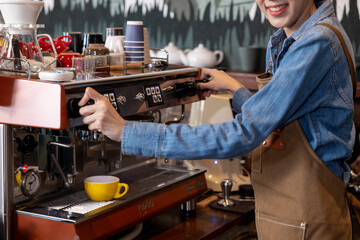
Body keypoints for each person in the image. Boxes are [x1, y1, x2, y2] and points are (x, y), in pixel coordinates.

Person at [79, 0, 356, 239]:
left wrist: (125, 131)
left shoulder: (316, 43)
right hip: (295, 218)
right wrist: (235, 90)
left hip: (309, 223)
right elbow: (275, 119)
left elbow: (245, 133)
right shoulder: (294, 37)